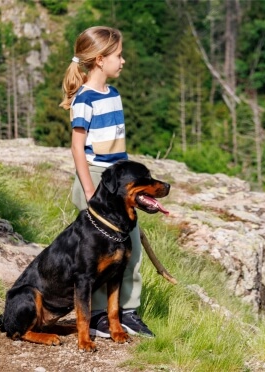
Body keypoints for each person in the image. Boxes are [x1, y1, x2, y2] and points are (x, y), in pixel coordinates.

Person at [59, 26, 154, 338]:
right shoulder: (85, 99)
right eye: (118, 55)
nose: (123, 61)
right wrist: (89, 190)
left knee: (131, 248)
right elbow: (77, 147)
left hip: (117, 182)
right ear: (100, 60)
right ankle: (99, 315)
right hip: (97, 182)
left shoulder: (113, 95)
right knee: (97, 252)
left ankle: (127, 311)